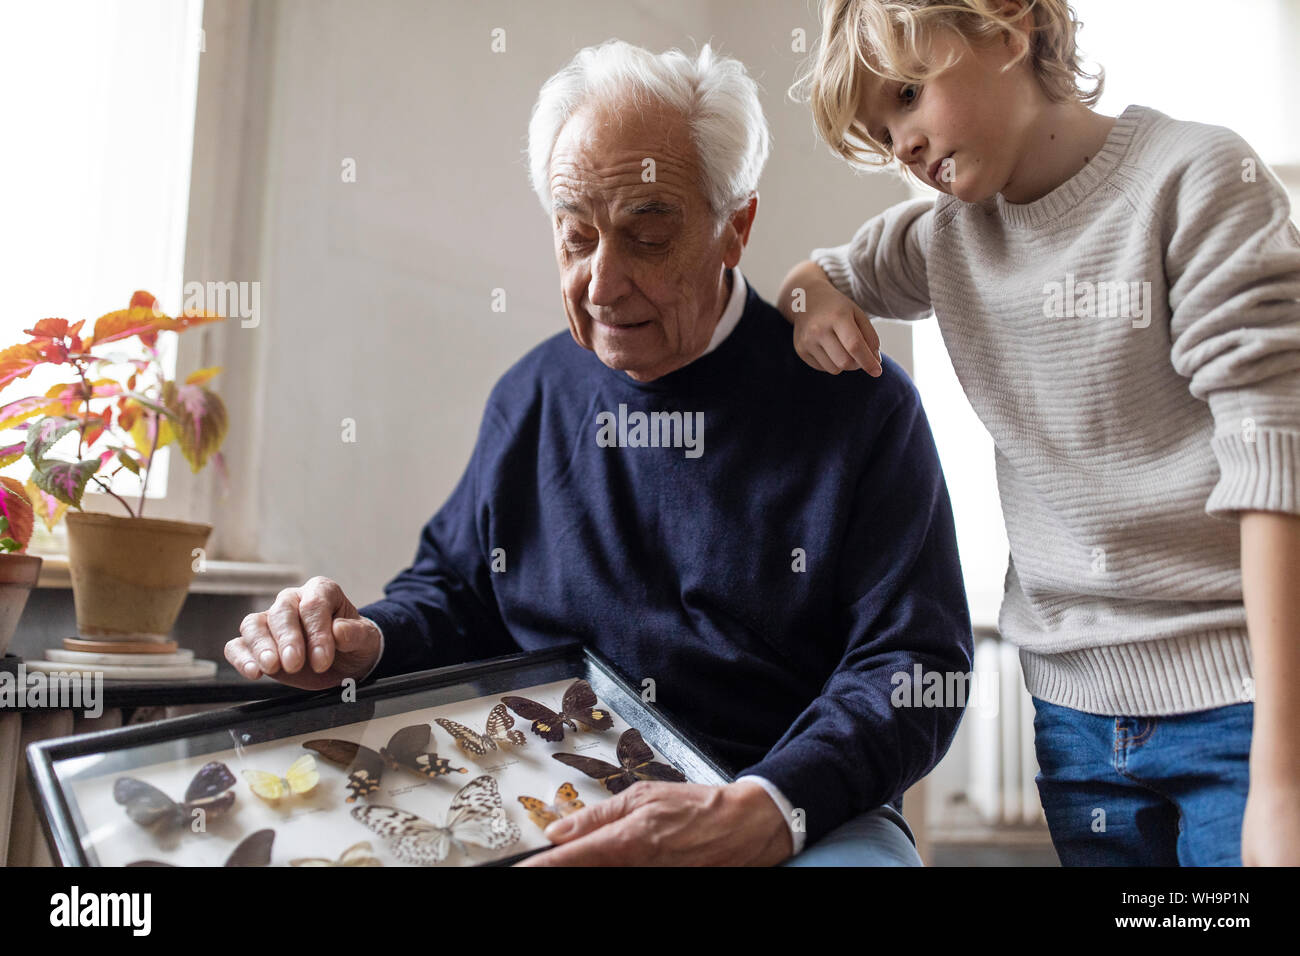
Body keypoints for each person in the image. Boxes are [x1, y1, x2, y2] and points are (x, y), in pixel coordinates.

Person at [226, 39, 974, 866]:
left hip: (792, 802)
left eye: (646, 237)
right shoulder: (533, 394)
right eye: (575, 237)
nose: (602, 284)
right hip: (552, 788)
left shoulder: (859, 402)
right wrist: (364, 640)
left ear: (736, 227)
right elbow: (456, 593)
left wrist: (766, 807)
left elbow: (912, 666)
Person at [778, 0, 1300, 865]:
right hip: (1075, 724)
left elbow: (1279, 458)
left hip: (1242, 703)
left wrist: (1284, 779)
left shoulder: (1196, 177)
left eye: (907, 93)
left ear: (1010, 24)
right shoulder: (944, 238)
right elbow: (813, 276)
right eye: (881, 133)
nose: (901, 145)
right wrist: (809, 298)